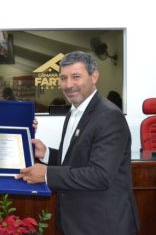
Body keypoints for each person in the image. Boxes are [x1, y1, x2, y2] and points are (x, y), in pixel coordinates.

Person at [16, 51, 139, 235]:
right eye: (63, 78)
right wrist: (47, 153)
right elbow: (77, 159)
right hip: (76, 222)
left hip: (103, 225)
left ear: (94, 76)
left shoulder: (109, 116)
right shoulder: (74, 112)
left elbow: (100, 175)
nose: (68, 85)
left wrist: (47, 174)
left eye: (76, 77)